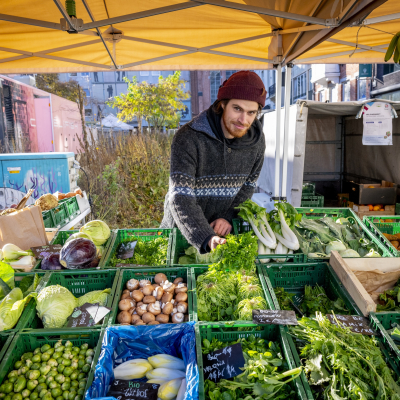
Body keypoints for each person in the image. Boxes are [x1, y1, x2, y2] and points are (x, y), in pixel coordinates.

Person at [160, 70, 266, 253]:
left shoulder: (257, 142)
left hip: (222, 235)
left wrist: (228, 216)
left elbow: (247, 187)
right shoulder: (188, 138)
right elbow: (180, 196)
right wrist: (206, 237)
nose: (244, 120)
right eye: (237, 109)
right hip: (183, 235)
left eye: (251, 112)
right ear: (223, 104)